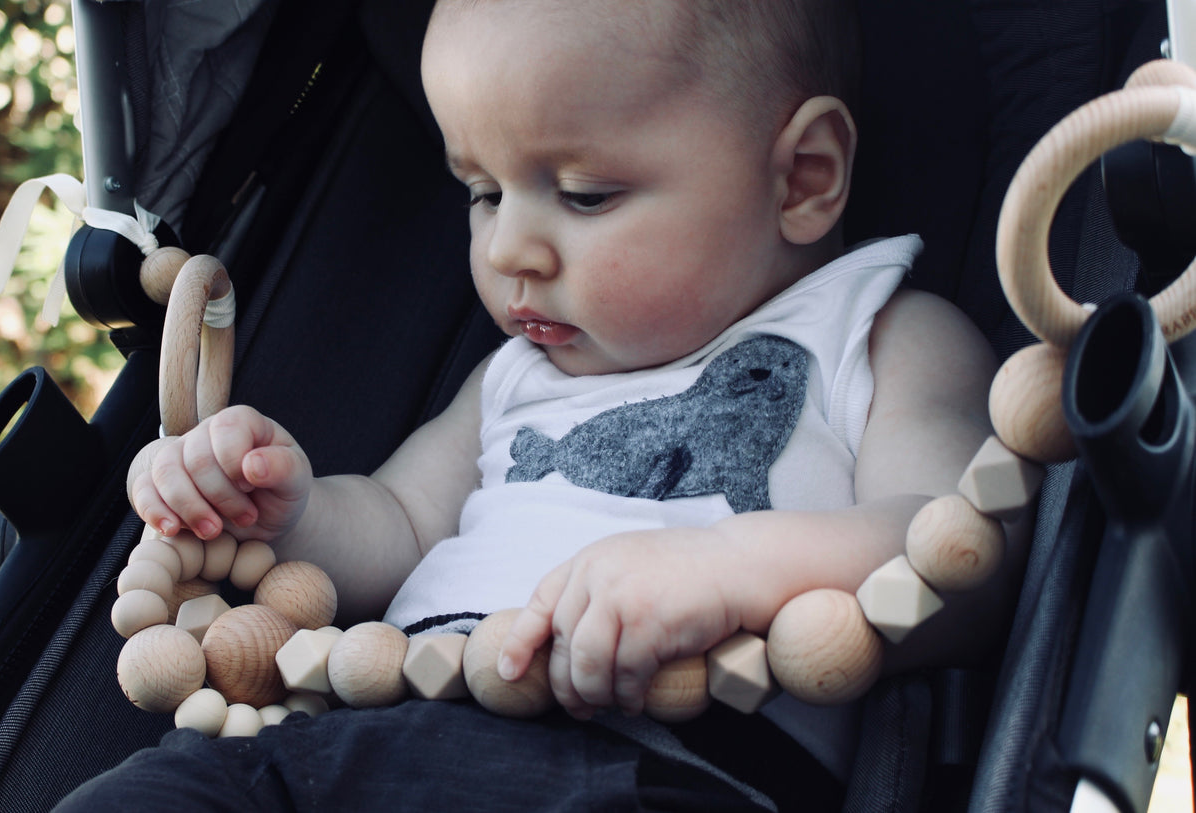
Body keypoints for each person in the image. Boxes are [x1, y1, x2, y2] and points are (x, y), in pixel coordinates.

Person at [59, 0, 1008, 809]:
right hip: (359, 728)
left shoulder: (881, 335)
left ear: (802, 177)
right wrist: (288, 505)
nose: (509, 248)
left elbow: (960, 552)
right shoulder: (514, 376)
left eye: (584, 195)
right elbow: (396, 527)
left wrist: (728, 568)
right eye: (480, 193)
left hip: (656, 762)